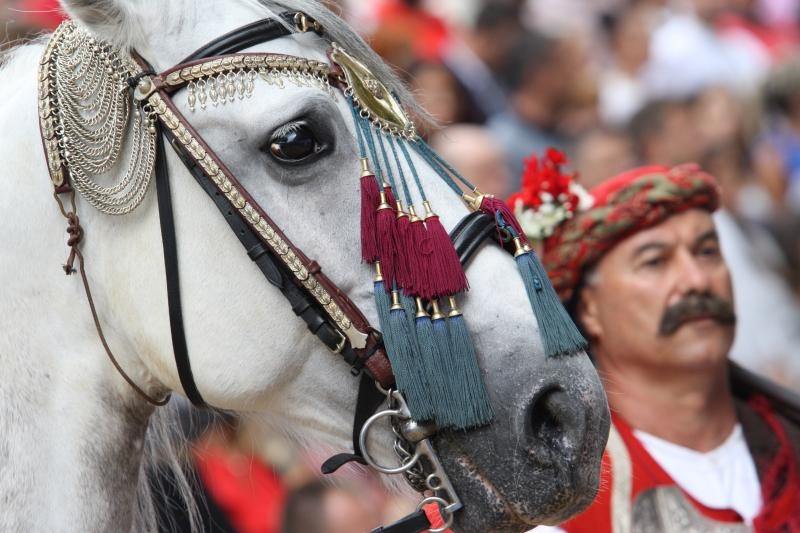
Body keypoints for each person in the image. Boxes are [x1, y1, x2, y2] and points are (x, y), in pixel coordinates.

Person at [510, 153, 800, 531]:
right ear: (590, 309)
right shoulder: (555, 505)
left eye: (707, 252)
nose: (696, 280)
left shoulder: (789, 436)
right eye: (655, 262)